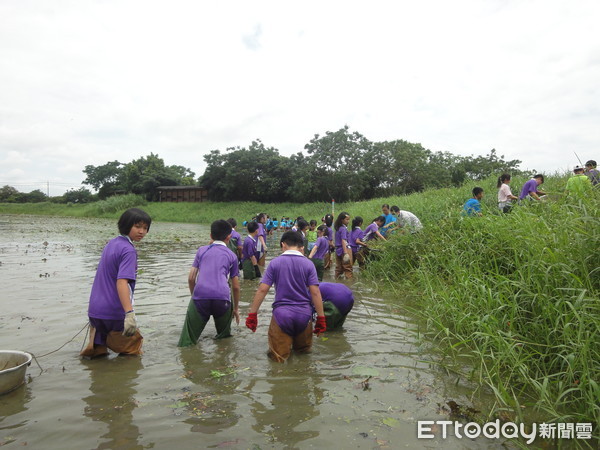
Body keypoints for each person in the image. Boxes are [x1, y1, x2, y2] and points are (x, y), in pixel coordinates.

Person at [245, 231, 326, 363]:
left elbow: (262, 290)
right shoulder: (308, 264)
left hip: (282, 315)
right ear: (300, 246)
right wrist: (321, 318)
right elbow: (315, 292)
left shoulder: (275, 263)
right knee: (304, 358)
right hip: (304, 316)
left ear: (283, 245)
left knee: (278, 360)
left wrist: (252, 314)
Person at [81, 208, 152, 358]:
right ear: (126, 225)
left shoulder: (111, 244)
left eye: (145, 228)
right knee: (132, 355)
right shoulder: (128, 250)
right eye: (137, 226)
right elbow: (121, 282)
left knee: (98, 356)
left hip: (95, 311)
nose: (142, 232)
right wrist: (129, 314)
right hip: (114, 313)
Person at [178, 220, 240, 346]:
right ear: (229, 236)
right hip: (223, 298)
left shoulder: (202, 250)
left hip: (200, 295)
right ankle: (222, 361)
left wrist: (194, 297)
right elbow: (236, 287)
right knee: (224, 339)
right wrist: (236, 309)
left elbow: (191, 278)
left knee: (187, 341)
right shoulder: (232, 255)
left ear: (210, 236)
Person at [334, 212, 353, 279]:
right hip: (344, 249)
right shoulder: (343, 229)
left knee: (338, 269)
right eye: (347, 219)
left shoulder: (338, 228)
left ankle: (336, 281)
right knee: (348, 268)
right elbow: (343, 240)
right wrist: (345, 253)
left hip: (338, 250)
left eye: (348, 219)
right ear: (342, 220)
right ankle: (349, 284)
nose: (348, 221)